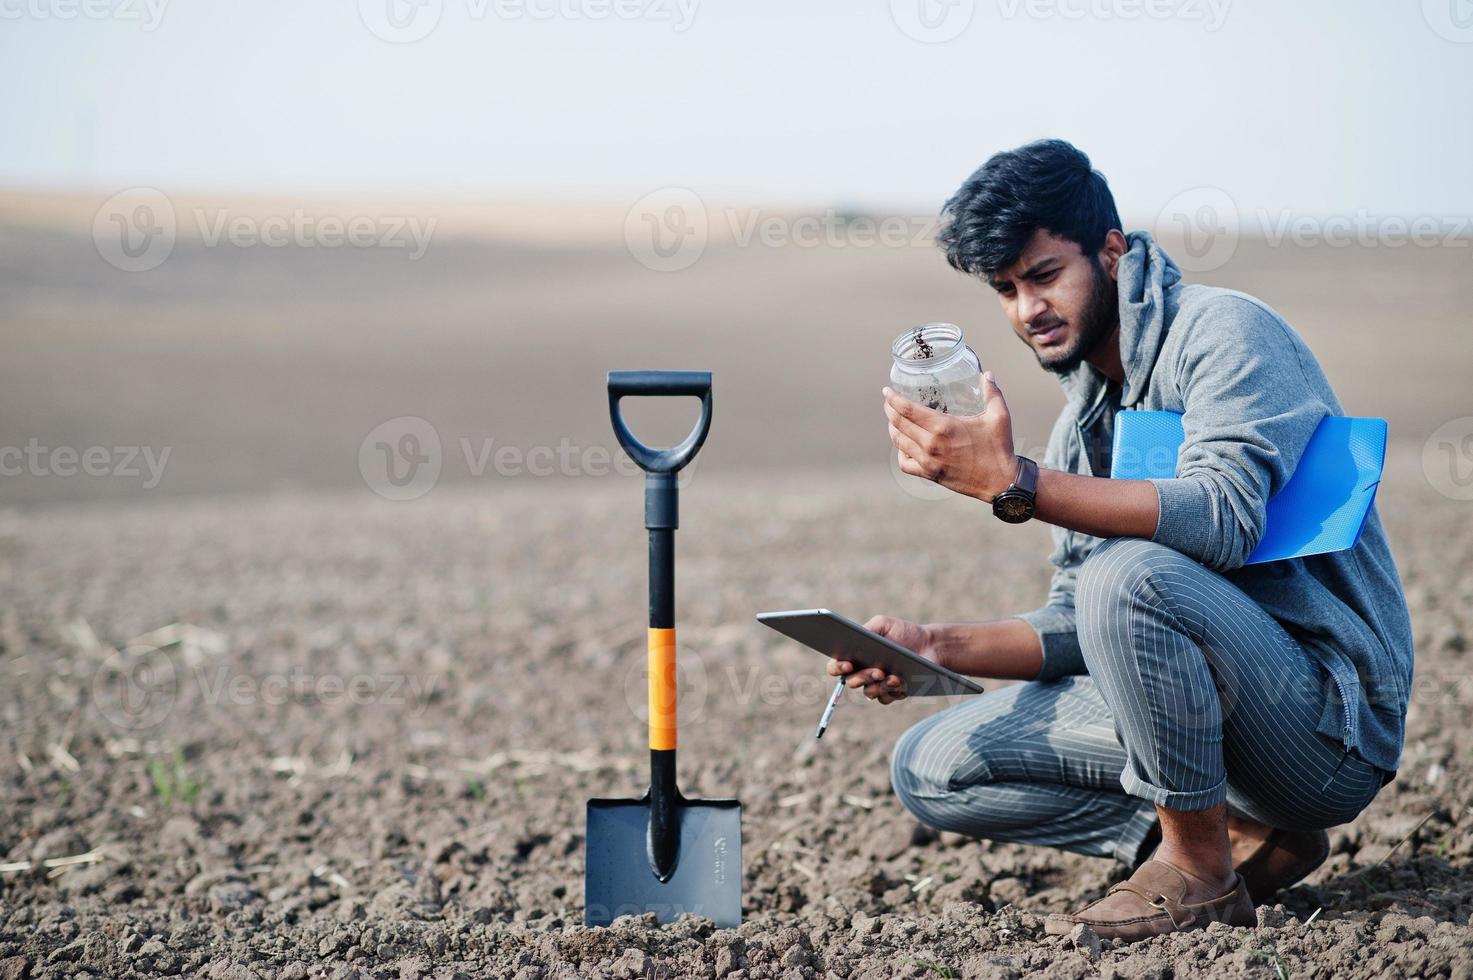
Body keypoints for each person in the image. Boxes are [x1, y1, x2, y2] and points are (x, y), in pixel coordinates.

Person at [829, 139, 1413, 943]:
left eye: (1041, 276)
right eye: (1003, 289)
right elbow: (1081, 623)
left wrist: (1017, 485)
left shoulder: (1224, 333)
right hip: (1211, 714)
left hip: (1321, 727)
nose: (1025, 309)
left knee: (1126, 575)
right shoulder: (1083, 422)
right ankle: (1241, 840)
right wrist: (930, 644)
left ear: (1112, 251)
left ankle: (1198, 874)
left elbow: (1222, 515)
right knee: (932, 765)